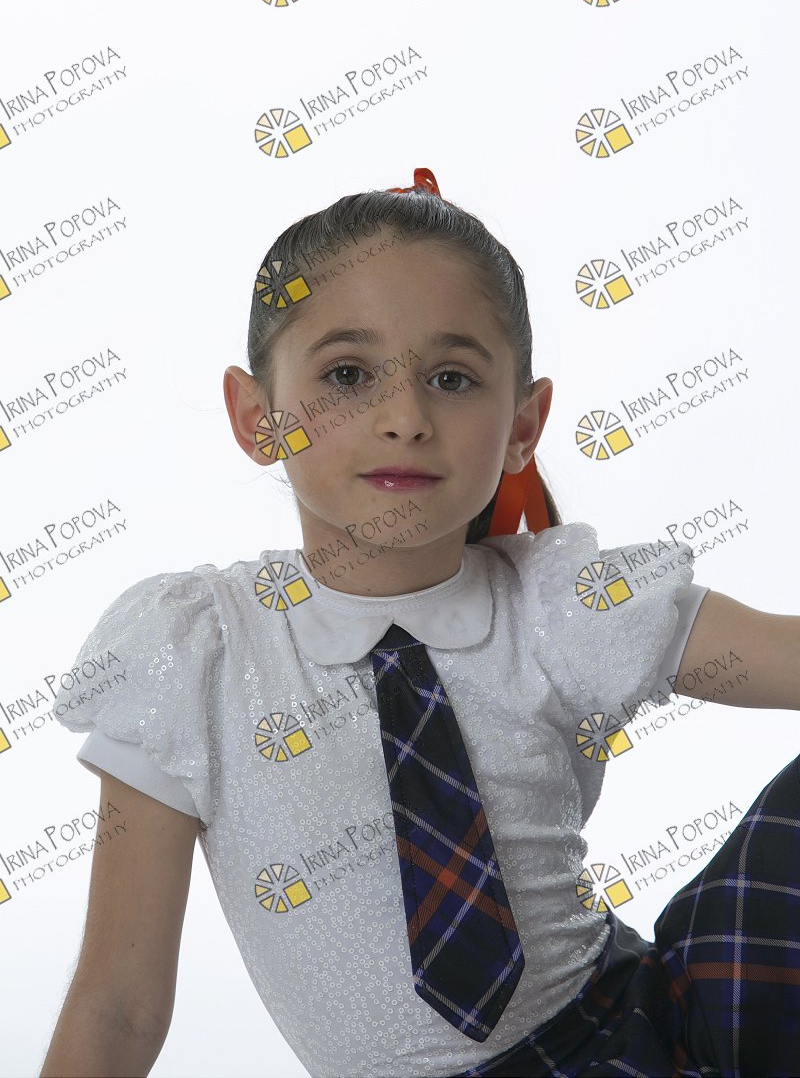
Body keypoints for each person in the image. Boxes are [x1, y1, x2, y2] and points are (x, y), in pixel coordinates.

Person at [43, 169, 800, 1078]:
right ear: (257, 417)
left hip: (657, 1033)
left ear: (523, 425)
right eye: (348, 375)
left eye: (452, 378)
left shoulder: (562, 602)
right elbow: (119, 1006)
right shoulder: (196, 648)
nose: (404, 418)